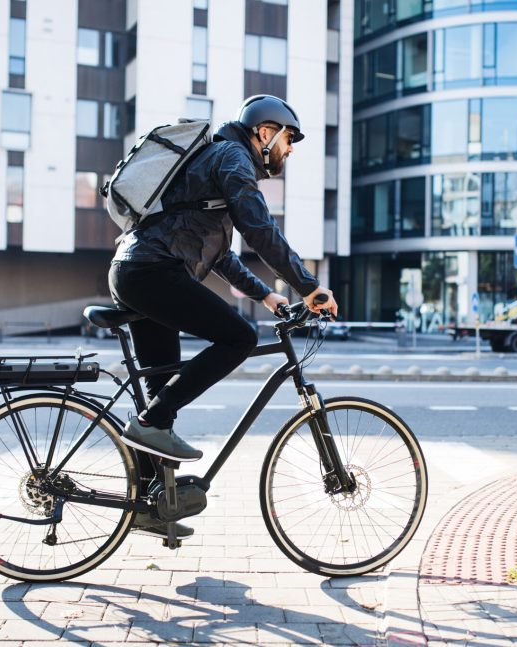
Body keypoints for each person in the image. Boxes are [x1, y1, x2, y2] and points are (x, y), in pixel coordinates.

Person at [109, 95, 338, 536]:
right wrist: (309, 287)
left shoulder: (217, 160)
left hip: (138, 271)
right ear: (265, 132)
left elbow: (219, 255)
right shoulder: (233, 157)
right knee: (239, 338)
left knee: (161, 395)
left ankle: (150, 506)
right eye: (289, 139)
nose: (290, 150)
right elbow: (259, 228)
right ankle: (150, 424)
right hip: (152, 272)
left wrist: (269, 297)